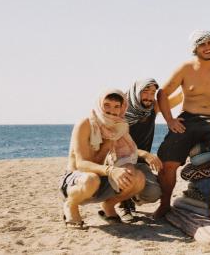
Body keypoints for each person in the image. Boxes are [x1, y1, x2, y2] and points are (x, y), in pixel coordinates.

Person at [154, 30, 210, 220]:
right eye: (203, 44)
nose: (208, 47)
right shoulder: (186, 68)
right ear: (195, 48)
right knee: (167, 162)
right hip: (189, 119)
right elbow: (162, 93)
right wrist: (170, 120)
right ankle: (165, 204)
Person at [59, 89, 146, 228]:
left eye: (116, 106)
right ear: (100, 105)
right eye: (107, 105)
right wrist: (111, 169)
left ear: (122, 108)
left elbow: (124, 156)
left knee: (138, 178)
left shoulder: (119, 127)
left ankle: (109, 206)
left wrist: (128, 168)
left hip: (101, 176)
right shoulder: (85, 124)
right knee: (91, 179)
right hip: (77, 180)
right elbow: (81, 164)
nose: (112, 110)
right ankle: (71, 204)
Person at [115, 78, 182, 222]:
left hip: (140, 163)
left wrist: (189, 83)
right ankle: (122, 205)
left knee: (154, 192)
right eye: (145, 92)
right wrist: (145, 154)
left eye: (153, 93)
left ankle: (131, 197)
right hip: (119, 162)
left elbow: (177, 99)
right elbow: (117, 146)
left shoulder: (151, 109)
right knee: (127, 174)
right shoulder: (120, 114)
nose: (149, 97)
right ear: (135, 92)